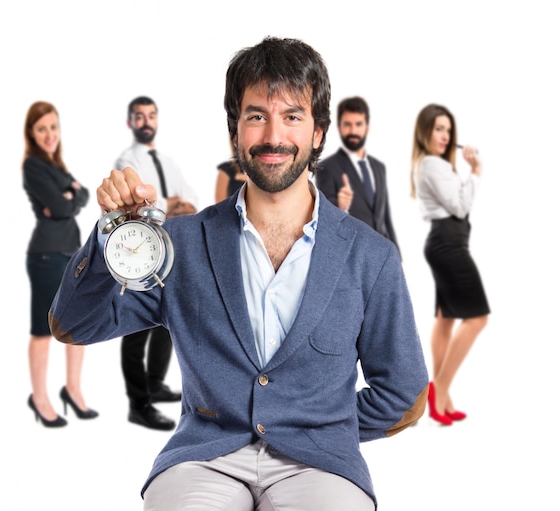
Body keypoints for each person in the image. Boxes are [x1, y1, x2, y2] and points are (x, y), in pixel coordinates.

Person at [50, 37, 428, 510]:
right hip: (203, 461)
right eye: (256, 116)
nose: (274, 136)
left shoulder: (372, 256)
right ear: (235, 133)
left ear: (317, 134)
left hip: (321, 466)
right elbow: (74, 324)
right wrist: (113, 232)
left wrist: (323, 426)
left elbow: (405, 393)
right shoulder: (180, 243)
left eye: (292, 116)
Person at [114, 96, 198, 431]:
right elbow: (139, 201)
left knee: (167, 321)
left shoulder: (166, 159)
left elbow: (190, 197)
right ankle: (138, 403)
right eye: (139, 116)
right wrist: (170, 203)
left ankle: (155, 382)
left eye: (151, 116)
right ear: (130, 122)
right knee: (136, 329)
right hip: (139, 251)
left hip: (170, 250)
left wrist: (172, 203)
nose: (146, 121)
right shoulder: (126, 160)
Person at [410, 103, 490, 426]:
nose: (444, 135)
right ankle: (438, 387)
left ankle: (443, 399)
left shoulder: (437, 165)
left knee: (446, 318)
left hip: (449, 242)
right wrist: (476, 172)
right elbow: (459, 206)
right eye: (438, 129)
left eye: (447, 129)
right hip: (448, 243)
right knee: (477, 318)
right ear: (425, 131)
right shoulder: (431, 164)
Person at [22, 100, 98, 427]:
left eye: (53, 127)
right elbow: (65, 205)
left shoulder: (57, 165)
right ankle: (39, 398)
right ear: (32, 133)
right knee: (43, 330)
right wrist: (68, 197)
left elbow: (81, 198)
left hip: (70, 253)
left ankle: (73, 389)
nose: (49, 134)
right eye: (42, 129)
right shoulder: (34, 166)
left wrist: (70, 197)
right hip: (46, 255)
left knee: (76, 326)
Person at [316, 96, 400, 256]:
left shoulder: (378, 167)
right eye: (347, 124)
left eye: (358, 124)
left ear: (367, 127)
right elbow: (323, 217)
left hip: (382, 255)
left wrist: (396, 257)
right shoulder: (328, 167)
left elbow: (385, 217)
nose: (353, 131)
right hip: (352, 255)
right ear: (339, 127)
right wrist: (339, 206)